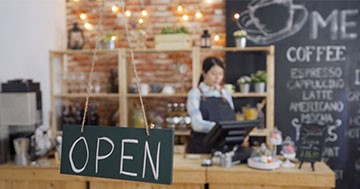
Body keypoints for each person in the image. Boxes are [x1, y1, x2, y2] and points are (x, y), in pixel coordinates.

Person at [186, 57, 236, 153]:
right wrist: (220, 129)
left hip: (224, 147)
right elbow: (197, 124)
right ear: (204, 73)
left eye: (220, 74)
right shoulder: (195, 93)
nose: (217, 78)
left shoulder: (225, 94)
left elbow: (231, 119)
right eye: (213, 74)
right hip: (202, 147)